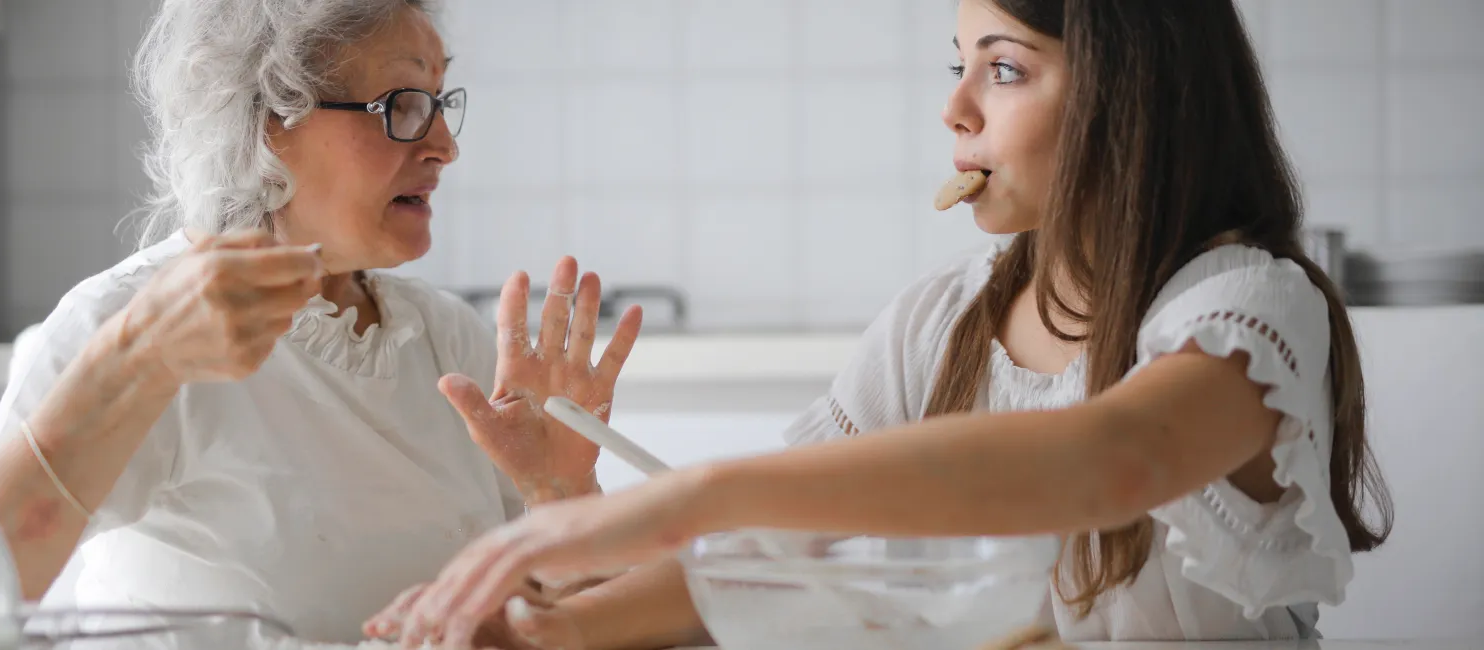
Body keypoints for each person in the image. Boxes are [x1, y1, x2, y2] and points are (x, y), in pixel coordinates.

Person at [373, 0, 1395, 647]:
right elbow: (774, 555)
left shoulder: (1248, 307)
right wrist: (538, 621)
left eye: (1002, 66)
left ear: (1131, 95)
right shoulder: (938, 321)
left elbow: (1113, 458)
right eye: (954, 63)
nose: (953, 107)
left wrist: (698, 489)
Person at [0, 0, 640, 644]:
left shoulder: (448, 338)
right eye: (401, 105)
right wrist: (136, 361)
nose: (442, 146)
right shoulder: (128, 321)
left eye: (438, 103)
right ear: (267, 118)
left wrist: (561, 494)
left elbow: (571, 624)